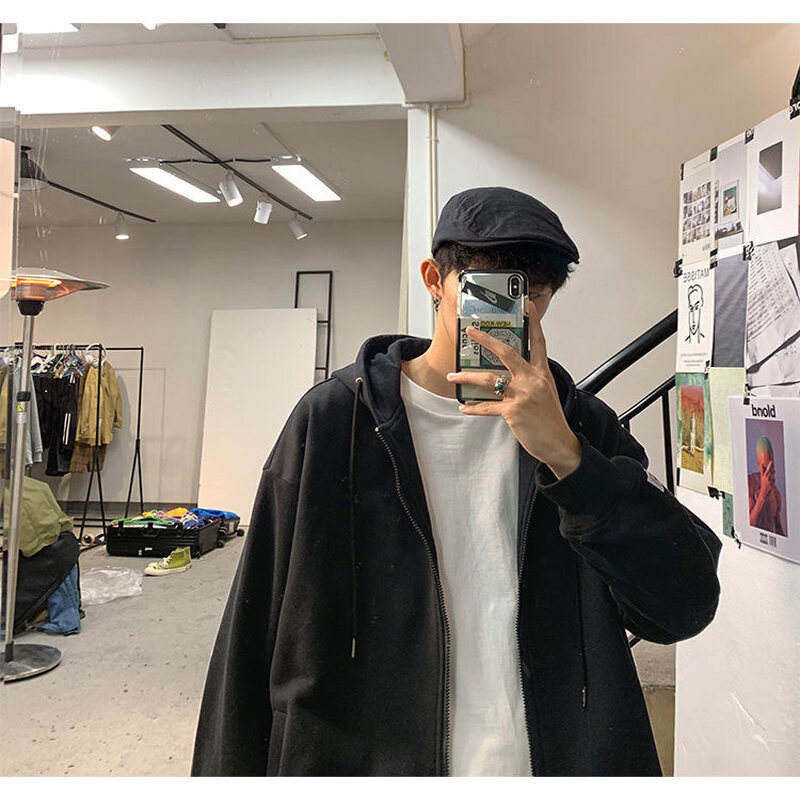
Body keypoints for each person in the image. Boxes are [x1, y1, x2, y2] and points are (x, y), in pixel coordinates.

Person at [191, 186, 721, 777]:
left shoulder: (583, 428)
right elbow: (253, 626)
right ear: (434, 281)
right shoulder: (336, 421)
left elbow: (685, 606)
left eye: (533, 292)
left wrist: (568, 458)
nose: (513, 310)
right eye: (488, 287)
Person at [748, 435, 785, 536]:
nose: (768, 472)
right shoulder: (749, 484)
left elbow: (778, 526)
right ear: (758, 463)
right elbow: (748, 525)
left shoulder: (776, 493)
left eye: (771, 467)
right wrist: (763, 495)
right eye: (764, 467)